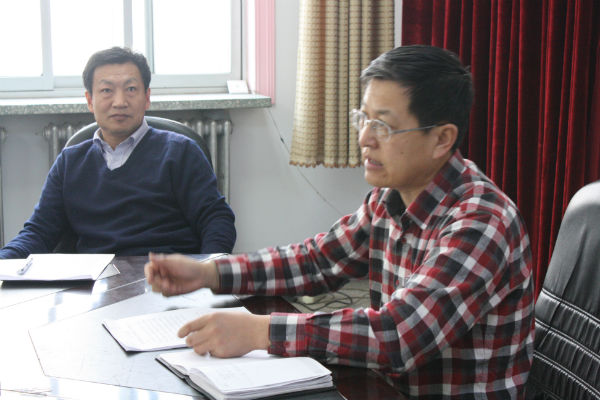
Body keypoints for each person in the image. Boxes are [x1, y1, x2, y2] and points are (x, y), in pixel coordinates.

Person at [145, 45, 534, 399]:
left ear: (442, 139)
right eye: (363, 118)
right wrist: (209, 273)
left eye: (383, 126)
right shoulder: (389, 197)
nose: (364, 138)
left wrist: (261, 332)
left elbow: (398, 335)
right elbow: (317, 261)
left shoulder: (482, 221)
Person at [0, 47, 236, 259]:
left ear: (147, 98)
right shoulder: (69, 162)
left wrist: (207, 273)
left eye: (131, 89)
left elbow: (216, 219)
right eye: (106, 90)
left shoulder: (181, 152)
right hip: (95, 284)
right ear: (89, 101)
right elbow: (39, 232)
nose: (120, 102)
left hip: (165, 278)